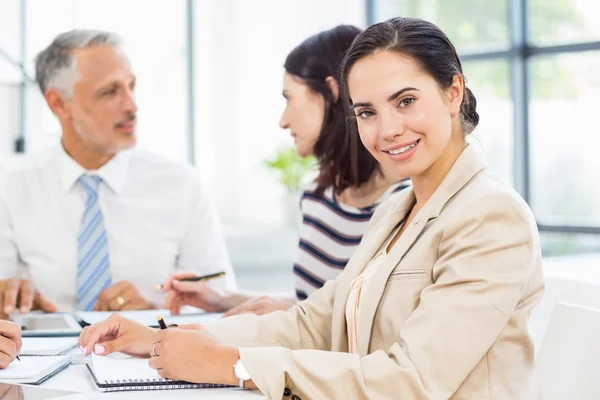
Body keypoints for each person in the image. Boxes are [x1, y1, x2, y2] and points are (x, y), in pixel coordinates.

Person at [78, 17, 545, 399]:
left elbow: (414, 380)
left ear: (453, 92)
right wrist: (160, 339)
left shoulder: (490, 216)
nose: (387, 130)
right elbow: (317, 321)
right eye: (367, 113)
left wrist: (232, 365)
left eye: (405, 101)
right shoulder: (398, 211)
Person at [162, 25, 408, 317]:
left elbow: (367, 320)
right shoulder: (317, 195)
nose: (283, 120)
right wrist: (222, 299)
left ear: (329, 91)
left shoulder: (405, 204)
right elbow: (311, 300)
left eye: (289, 98)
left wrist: (289, 312)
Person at [0, 30, 235, 317]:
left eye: (131, 86)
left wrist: (157, 303)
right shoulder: (10, 188)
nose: (132, 106)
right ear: (59, 104)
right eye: (109, 92)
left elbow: (221, 300)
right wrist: (11, 301)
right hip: (38, 356)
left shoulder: (181, 184)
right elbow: (4, 295)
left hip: (152, 354)